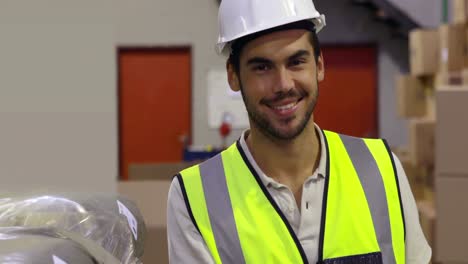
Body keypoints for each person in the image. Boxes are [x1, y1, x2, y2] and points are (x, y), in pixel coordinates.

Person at [167, 0, 431, 263]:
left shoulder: (382, 169)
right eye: (262, 67)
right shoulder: (193, 198)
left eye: (296, 62)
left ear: (319, 66)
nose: (283, 85)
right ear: (233, 76)